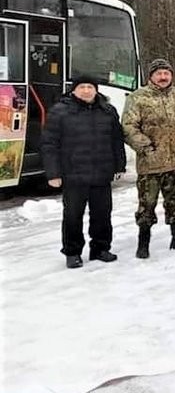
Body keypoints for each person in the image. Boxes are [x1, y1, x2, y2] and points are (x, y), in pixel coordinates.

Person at [41, 76, 126, 268]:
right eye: (82, 87)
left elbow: (116, 141)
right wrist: (53, 173)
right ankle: (72, 252)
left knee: (102, 215)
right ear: (74, 90)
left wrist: (119, 166)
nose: (86, 90)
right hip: (73, 174)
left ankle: (100, 249)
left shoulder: (107, 111)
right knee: (72, 216)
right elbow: (49, 144)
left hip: (101, 174)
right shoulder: (60, 111)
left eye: (90, 87)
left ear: (96, 90)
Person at [122, 58, 175, 258]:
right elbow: (129, 127)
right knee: (147, 204)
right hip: (150, 162)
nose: (163, 77)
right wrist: (146, 147)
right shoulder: (137, 98)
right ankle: (143, 242)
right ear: (151, 76)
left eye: (166, 73)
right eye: (159, 73)